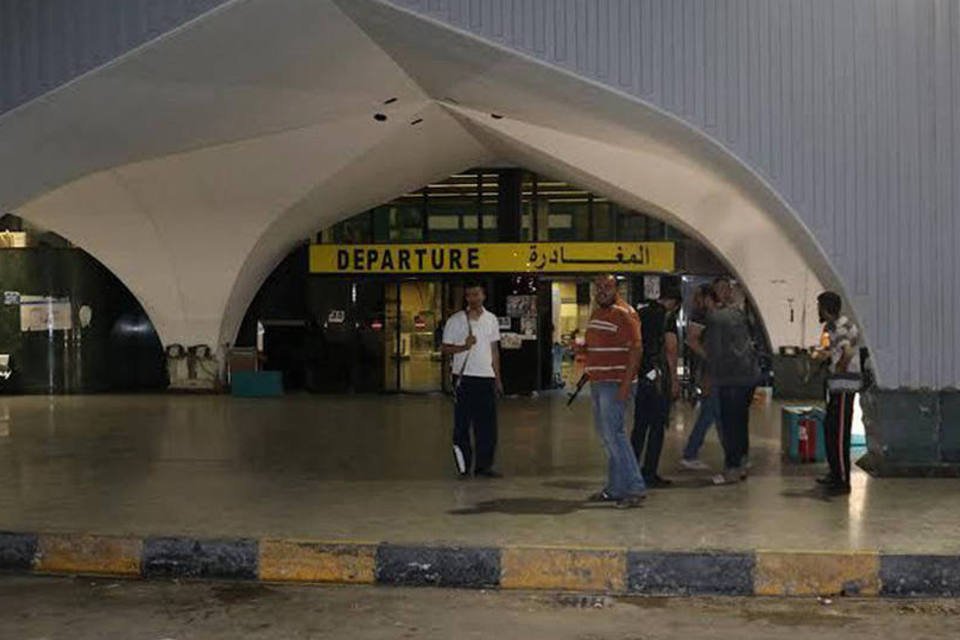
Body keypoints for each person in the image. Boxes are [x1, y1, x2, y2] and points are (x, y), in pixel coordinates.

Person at [584, 274, 646, 508]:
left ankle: (635, 487)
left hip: (615, 383)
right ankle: (616, 488)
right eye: (598, 286)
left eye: (607, 286)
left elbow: (636, 350)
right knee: (607, 438)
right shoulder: (598, 312)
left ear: (616, 288)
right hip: (599, 381)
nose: (601, 290)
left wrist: (625, 385)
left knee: (615, 436)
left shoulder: (624, 313)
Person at [441, 281, 503, 479]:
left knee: (487, 426)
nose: (473, 298)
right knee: (462, 424)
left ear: (483, 295)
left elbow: (494, 351)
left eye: (476, 294)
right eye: (469, 295)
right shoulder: (455, 321)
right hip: (464, 378)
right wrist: (463, 347)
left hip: (486, 378)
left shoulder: (492, 320)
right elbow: (444, 348)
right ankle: (463, 465)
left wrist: (497, 378)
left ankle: (484, 466)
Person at [706, 290, 761, 485]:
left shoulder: (715, 318)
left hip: (729, 378)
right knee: (741, 422)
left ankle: (731, 469)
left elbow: (715, 351)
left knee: (729, 426)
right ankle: (742, 463)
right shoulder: (742, 316)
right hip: (748, 376)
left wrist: (709, 377)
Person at [631, 279, 681, 487]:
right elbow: (670, 349)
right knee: (657, 427)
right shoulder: (667, 318)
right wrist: (674, 379)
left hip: (643, 376)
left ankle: (630, 469)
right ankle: (649, 472)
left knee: (640, 426)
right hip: (660, 378)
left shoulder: (641, 314)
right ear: (675, 303)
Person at [811, 291, 862, 496]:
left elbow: (847, 352)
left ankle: (842, 481)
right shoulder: (832, 327)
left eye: (819, 307)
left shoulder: (842, 327)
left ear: (825, 308)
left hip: (844, 386)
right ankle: (834, 472)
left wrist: (838, 368)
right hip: (836, 385)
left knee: (839, 434)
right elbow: (836, 350)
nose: (817, 310)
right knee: (830, 429)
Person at [680, 284, 720, 470]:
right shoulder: (701, 316)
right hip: (710, 372)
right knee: (710, 412)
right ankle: (690, 453)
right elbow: (691, 339)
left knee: (716, 413)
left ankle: (734, 455)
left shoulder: (714, 316)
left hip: (714, 372)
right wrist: (711, 358)